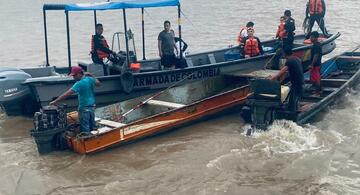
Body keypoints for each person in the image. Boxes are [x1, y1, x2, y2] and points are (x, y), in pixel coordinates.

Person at [50, 66, 100, 134]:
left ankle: (87, 140)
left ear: (80, 73)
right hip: (92, 107)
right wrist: (91, 75)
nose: (74, 77)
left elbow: (67, 94)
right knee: (93, 128)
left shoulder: (79, 84)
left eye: (75, 75)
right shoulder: (89, 79)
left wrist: (55, 101)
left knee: (85, 129)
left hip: (84, 108)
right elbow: (98, 84)